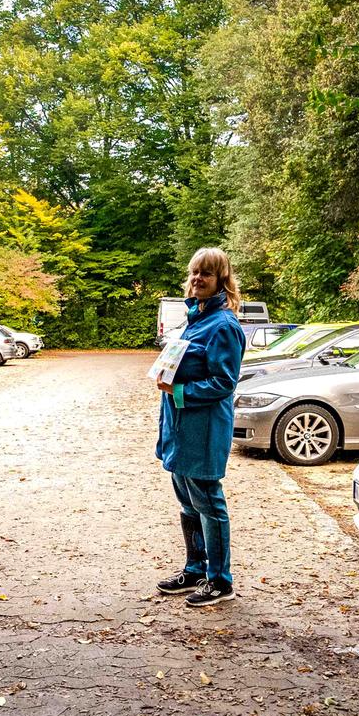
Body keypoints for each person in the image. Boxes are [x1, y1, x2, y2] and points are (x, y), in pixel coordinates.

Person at [154, 247, 246, 607]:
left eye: (206, 274)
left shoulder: (224, 325)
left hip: (203, 429)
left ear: (221, 280)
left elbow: (224, 383)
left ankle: (220, 581)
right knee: (188, 504)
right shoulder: (195, 318)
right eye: (194, 272)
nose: (197, 279)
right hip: (179, 427)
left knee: (208, 504)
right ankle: (195, 567)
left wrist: (178, 390)